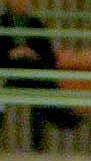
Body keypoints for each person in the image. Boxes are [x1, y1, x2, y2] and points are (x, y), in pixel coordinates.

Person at [2, 0, 79, 151]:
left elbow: (49, 57)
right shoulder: (2, 23)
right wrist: (11, 54)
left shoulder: (35, 24)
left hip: (31, 74)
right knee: (41, 85)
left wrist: (33, 54)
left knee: (39, 88)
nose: (21, 3)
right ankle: (63, 117)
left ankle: (37, 146)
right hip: (7, 76)